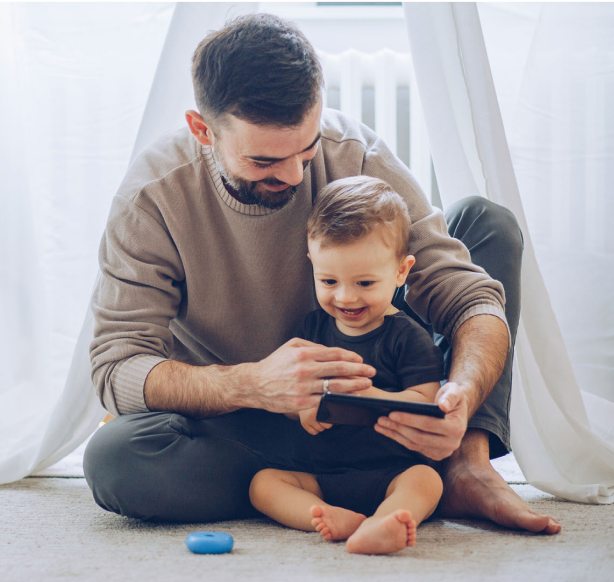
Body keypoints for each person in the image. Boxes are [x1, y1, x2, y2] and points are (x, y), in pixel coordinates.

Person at [83, 13, 561, 534]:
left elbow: (469, 299)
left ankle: (464, 463)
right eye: (264, 161)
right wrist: (253, 384)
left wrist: (460, 397)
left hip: (386, 414)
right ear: (203, 130)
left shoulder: (356, 155)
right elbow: (117, 365)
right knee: (116, 460)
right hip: (255, 427)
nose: (294, 175)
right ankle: (339, 485)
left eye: (306, 150)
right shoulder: (152, 198)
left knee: (487, 224)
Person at [249, 176, 446, 554]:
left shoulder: (407, 336)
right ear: (312, 264)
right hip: (322, 474)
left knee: (427, 481)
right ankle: (328, 516)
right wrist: (302, 409)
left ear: (401, 272)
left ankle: (387, 520)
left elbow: (428, 404)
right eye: (328, 280)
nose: (345, 296)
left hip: (392, 469)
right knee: (264, 484)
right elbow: (292, 391)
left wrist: (372, 397)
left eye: (365, 283)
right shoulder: (312, 329)